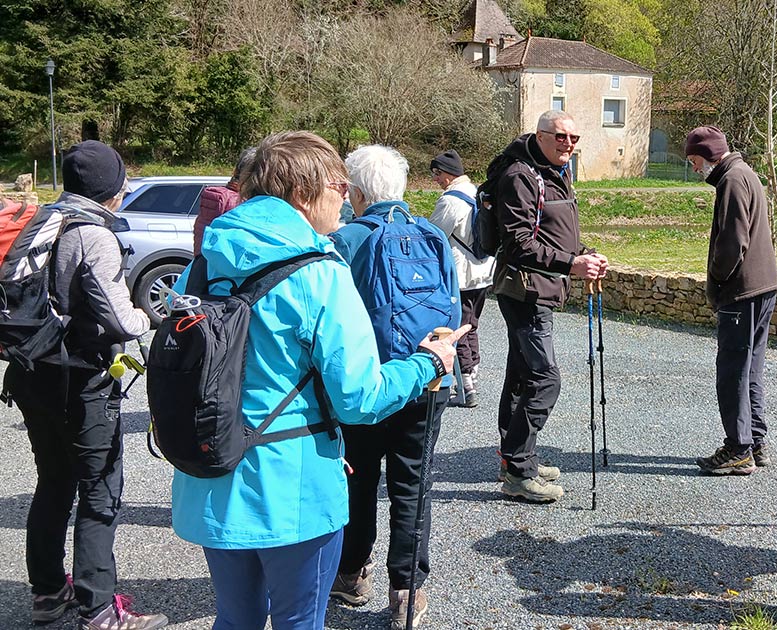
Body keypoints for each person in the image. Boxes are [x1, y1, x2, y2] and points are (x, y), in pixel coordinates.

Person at [169, 132, 466, 630]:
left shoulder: (203, 262)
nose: (345, 197)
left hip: (210, 473)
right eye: (339, 186)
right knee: (299, 619)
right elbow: (360, 398)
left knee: (236, 618)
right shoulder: (318, 271)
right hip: (293, 489)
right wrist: (428, 364)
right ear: (305, 195)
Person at [2, 141, 166, 628]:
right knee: (100, 491)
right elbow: (119, 319)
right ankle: (98, 611)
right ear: (111, 191)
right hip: (81, 379)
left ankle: (48, 596)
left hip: (32, 372)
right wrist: (152, 317)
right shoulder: (93, 235)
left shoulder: (42, 219)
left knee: (53, 483)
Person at [327, 145, 458, 628]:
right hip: (428, 377)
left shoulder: (346, 240)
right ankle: (407, 591)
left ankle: (351, 572)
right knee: (413, 484)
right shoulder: (432, 234)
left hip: (370, 381)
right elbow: (454, 311)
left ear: (356, 192)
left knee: (357, 479)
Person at [492, 110, 607, 503]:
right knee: (545, 378)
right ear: (540, 135)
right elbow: (519, 242)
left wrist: (585, 255)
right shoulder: (520, 176)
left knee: (524, 374)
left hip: (540, 287)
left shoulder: (555, 172)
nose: (568, 144)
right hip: (524, 290)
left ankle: (514, 459)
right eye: (560, 137)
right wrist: (572, 264)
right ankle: (519, 472)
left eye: (574, 138)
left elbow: (558, 234)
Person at [685, 125, 777, 476]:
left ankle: (738, 448)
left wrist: (718, 282)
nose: (695, 169)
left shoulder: (732, 181)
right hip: (761, 287)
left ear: (709, 154)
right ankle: (755, 440)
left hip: (742, 291)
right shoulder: (744, 174)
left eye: (695, 160)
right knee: (751, 368)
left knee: (732, 372)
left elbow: (732, 243)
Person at [429, 149, 494, 408]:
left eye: (436, 174)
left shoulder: (450, 201)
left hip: (462, 276)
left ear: (446, 175)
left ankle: (466, 384)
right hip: (483, 273)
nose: (435, 180)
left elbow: (434, 236)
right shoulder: (477, 193)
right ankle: (471, 376)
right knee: (472, 325)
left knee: (460, 328)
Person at [192, 147, 255, 255]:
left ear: (235, 170)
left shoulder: (213, 195)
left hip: (200, 263)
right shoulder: (239, 203)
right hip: (220, 269)